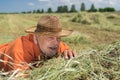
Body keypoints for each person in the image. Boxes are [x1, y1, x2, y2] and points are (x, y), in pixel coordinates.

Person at [0, 15, 77, 72]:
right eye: (50, 37)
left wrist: (68, 53)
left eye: (58, 38)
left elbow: (66, 50)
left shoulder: (54, 45)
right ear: (36, 37)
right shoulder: (20, 52)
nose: (56, 43)